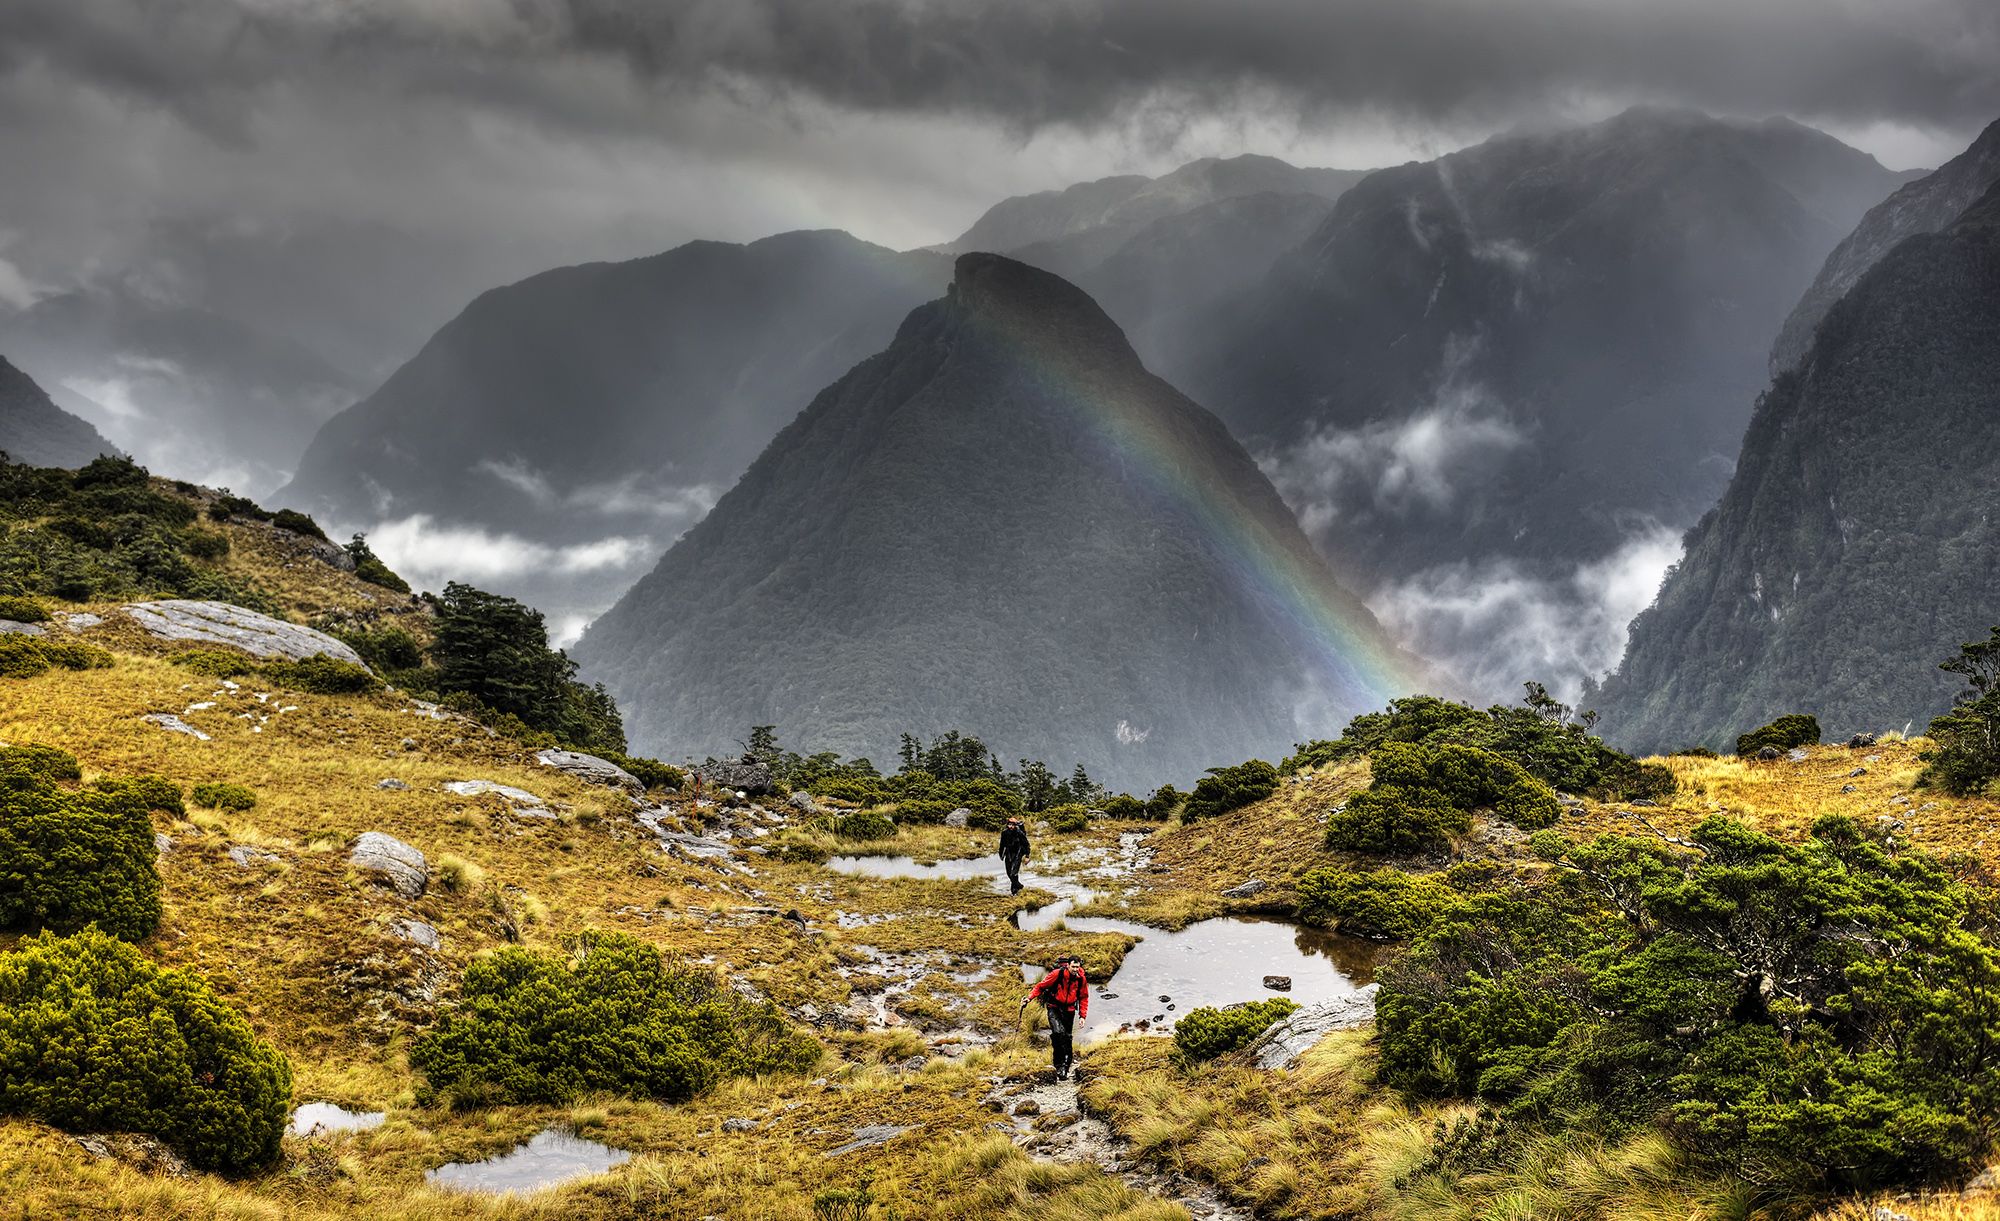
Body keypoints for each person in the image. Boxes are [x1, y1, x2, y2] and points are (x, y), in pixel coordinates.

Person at [1022, 954, 1090, 1080]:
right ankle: (1058, 1064)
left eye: (1077, 967)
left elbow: (1084, 997)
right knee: (1058, 1033)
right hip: (1054, 1007)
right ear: (1068, 965)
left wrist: (1082, 1016)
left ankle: (1066, 1065)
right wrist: (1029, 998)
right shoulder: (1057, 974)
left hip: (1069, 1009)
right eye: (1073, 967)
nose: (1075, 970)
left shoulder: (1081, 979)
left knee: (1067, 1037)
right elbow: (1040, 986)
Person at [998, 815, 1030, 892]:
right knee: (1009, 873)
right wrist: (1001, 854)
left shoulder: (1019, 833)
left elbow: (1026, 844)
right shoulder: (1004, 833)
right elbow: (1002, 844)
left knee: (1013, 874)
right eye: (1010, 824)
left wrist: (1027, 856)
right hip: (1008, 853)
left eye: (1013, 825)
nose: (1011, 826)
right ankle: (1019, 885)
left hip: (1018, 853)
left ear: (1015, 826)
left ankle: (1014, 890)